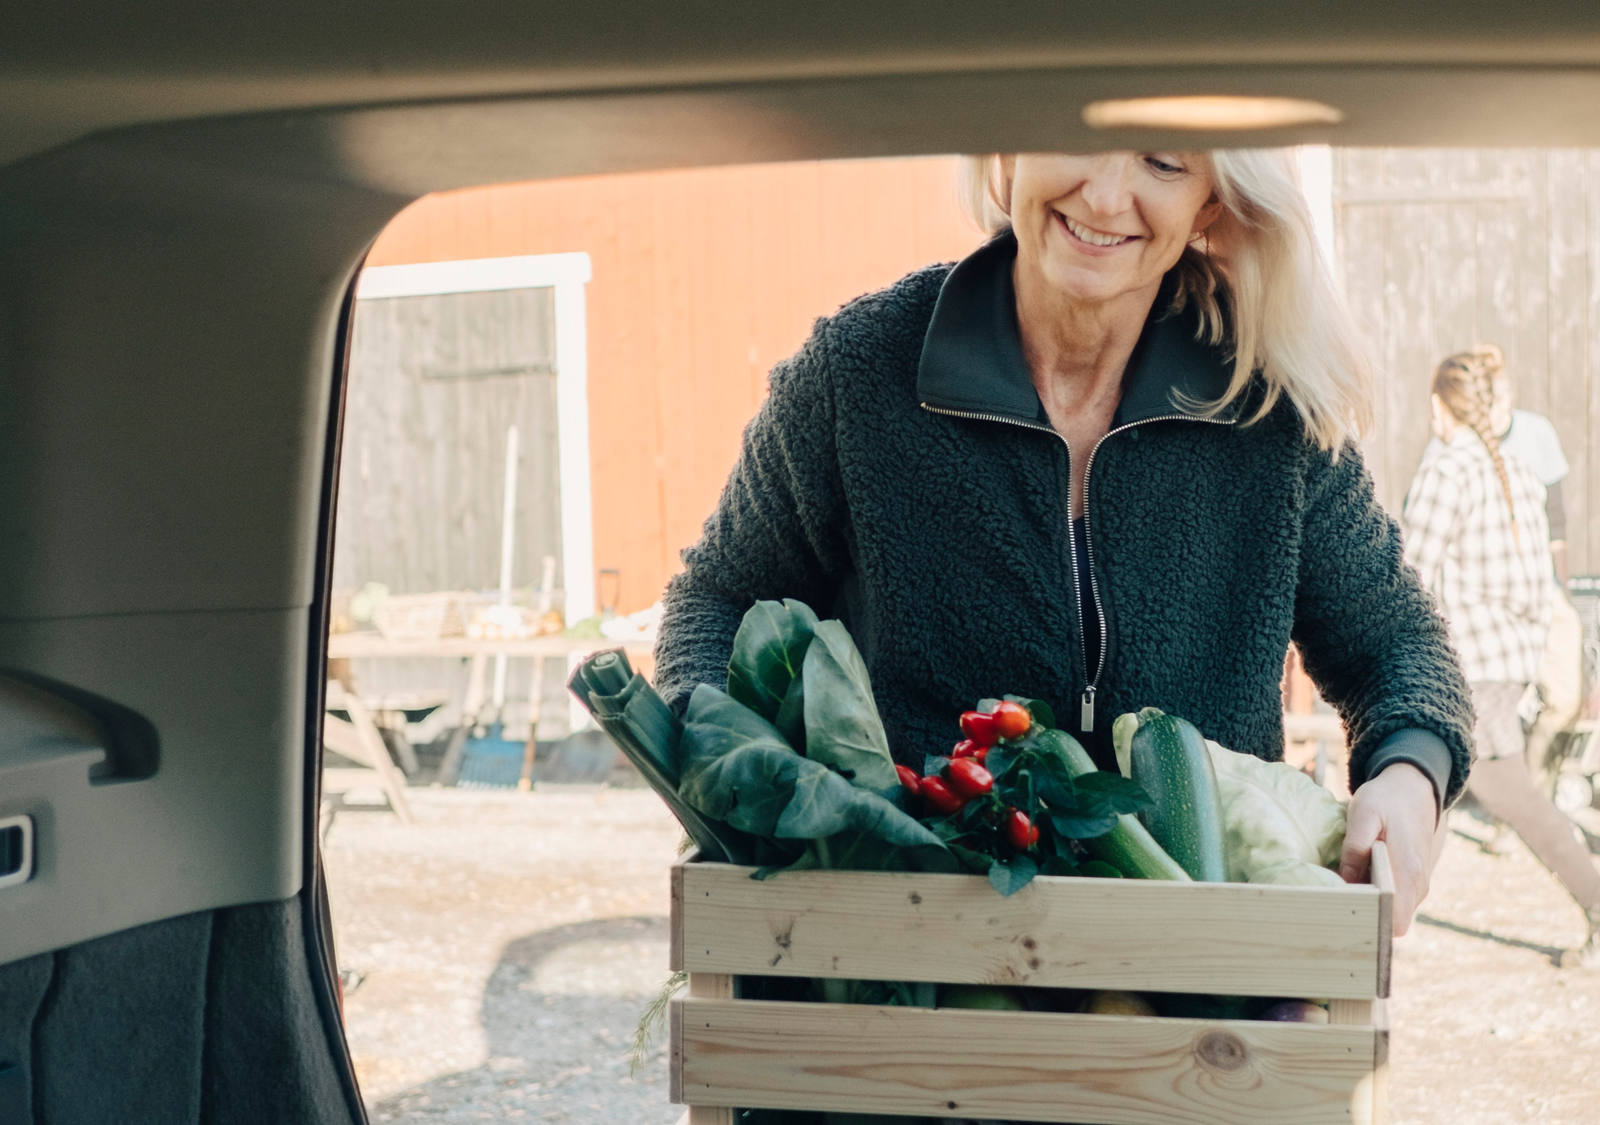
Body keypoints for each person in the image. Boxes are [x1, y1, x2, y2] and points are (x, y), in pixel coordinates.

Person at [655, 149, 1473, 936]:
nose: (1106, 195)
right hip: (906, 955)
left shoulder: (1269, 410)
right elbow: (719, 598)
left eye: (1163, 162)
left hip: (1195, 976)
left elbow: (1397, 646)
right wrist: (736, 776)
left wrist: (1408, 776)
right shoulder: (858, 375)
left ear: (1210, 205)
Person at [1403, 346, 1600, 966]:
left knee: (1494, 792)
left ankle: (1377, 928)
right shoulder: (1517, 469)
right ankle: (1383, 927)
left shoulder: (1446, 469)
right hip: (1509, 662)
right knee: (1441, 787)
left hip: (1470, 665)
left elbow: (1409, 574)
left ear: (1440, 406)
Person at [1422, 346, 1583, 797]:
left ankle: (1535, 792)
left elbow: (1557, 522)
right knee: (1460, 779)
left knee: (1565, 698)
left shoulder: (1530, 440)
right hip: (1489, 620)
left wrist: (1561, 591)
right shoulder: (1450, 453)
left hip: (1533, 595)